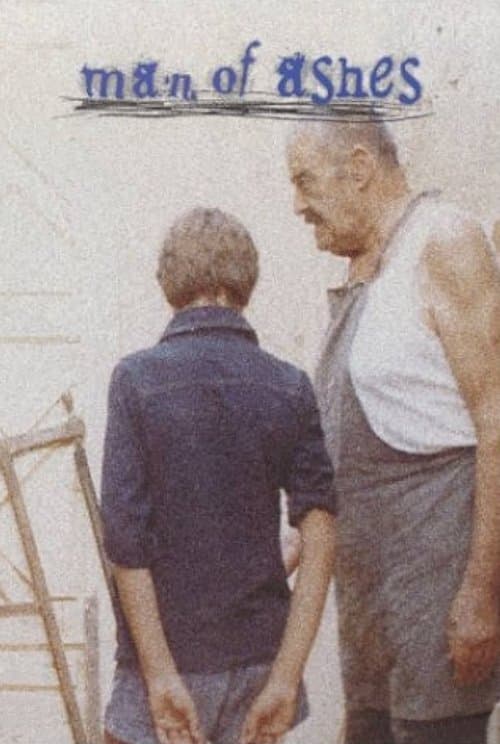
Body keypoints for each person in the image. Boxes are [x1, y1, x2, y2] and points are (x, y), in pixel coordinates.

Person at [287, 120, 500, 744]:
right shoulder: (368, 268)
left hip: (437, 601)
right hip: (372, 611)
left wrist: (483, 594)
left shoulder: (445, 240)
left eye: (305, 182)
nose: (297, 205)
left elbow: (496, 420)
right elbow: (348, 447)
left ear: (360, 167)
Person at [100, 207, 336, 744]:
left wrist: (160, 677)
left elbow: (126, 543)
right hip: (258, 668)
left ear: (168, 283)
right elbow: (321, 534)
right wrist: (287, 677)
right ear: (246, 283)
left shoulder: (135, 380)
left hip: (163, 662)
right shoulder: (289, 386)